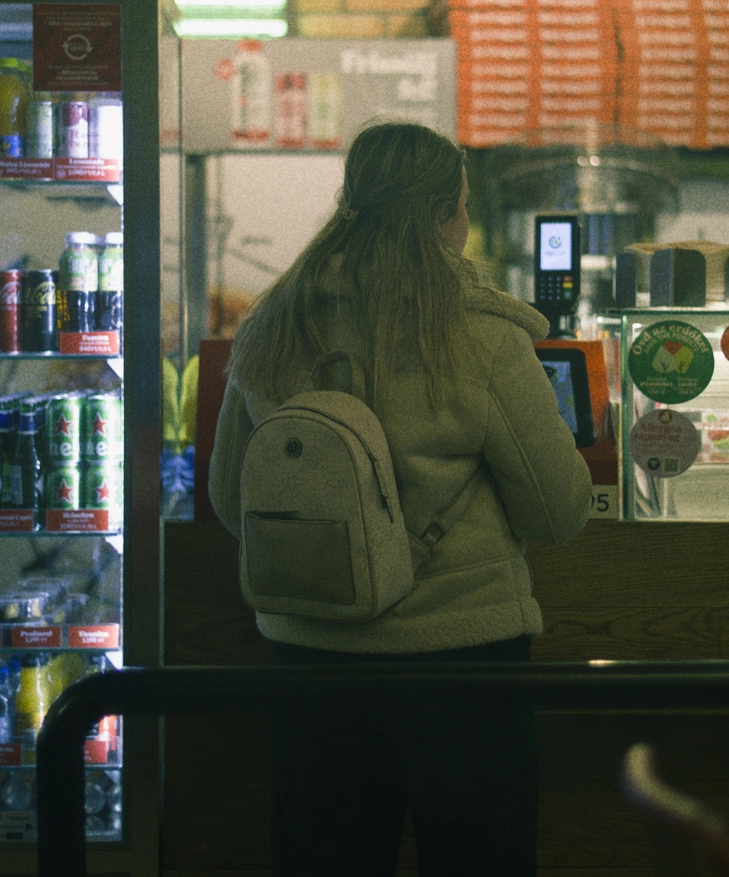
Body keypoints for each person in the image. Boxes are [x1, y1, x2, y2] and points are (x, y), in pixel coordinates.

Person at [209, 121, 592, 875]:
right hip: (463, 664)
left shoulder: (274, 325)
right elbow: (558, 512)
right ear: (446, 216)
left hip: (309, 659)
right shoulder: (483, 335)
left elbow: (229, 500)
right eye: (464, 207)